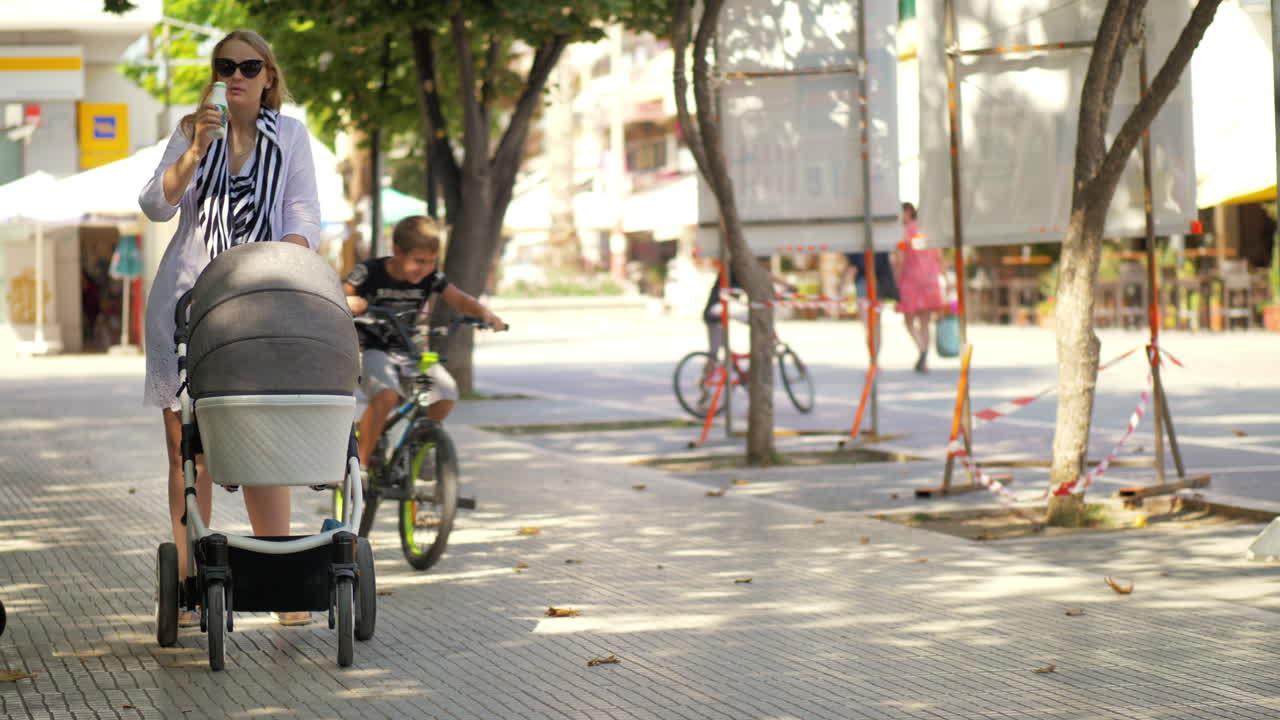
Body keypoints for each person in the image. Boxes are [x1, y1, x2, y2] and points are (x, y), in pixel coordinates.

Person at [139, 30, 320, 627]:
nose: (238, 75)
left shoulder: (290, 135)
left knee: (264, 435)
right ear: (215, 74)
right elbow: (155, 205)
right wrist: (194, 150)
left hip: (260, 299)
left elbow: (301, 213)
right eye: (226, 66)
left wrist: (283, 266)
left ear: (268, 76)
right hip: (187, 302)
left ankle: (279, 580)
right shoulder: (193, 130)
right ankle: (191, 581)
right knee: (186, 450)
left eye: (250, 66)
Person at [343, 216, 507, 472]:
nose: (426, 269)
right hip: (371, 348)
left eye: (431, 262)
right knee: (386, 396)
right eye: (419, 261)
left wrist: (486, 315)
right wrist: (350, 302)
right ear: (397, 251)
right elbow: (340, 294)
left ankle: (417, 445)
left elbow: (460, 299)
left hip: (410, 350)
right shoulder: (368, 272)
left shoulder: (432, 277)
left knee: (446, 394)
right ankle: (360, 468)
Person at [892, 202, 947, 373]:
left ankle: (922, 349)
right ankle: (925, 357)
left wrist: (895, 279)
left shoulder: (904, 233)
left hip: (911, 279)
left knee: (909, 321)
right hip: (930, 280)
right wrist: (945, 277)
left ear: (908, 212)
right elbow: (939, 256)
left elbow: (900, 258)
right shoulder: (929, 232)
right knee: (925, 321)